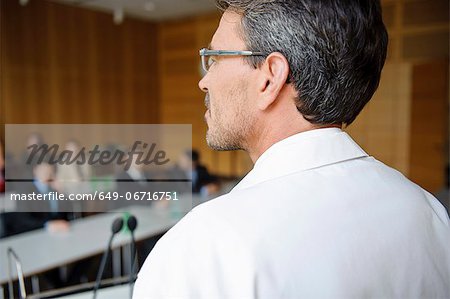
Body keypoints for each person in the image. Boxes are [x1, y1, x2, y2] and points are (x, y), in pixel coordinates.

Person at [133, 0, 450, 297]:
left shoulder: (204, 249)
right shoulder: (429, 212)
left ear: (270, 78)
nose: (205, 81)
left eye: (214, 58)